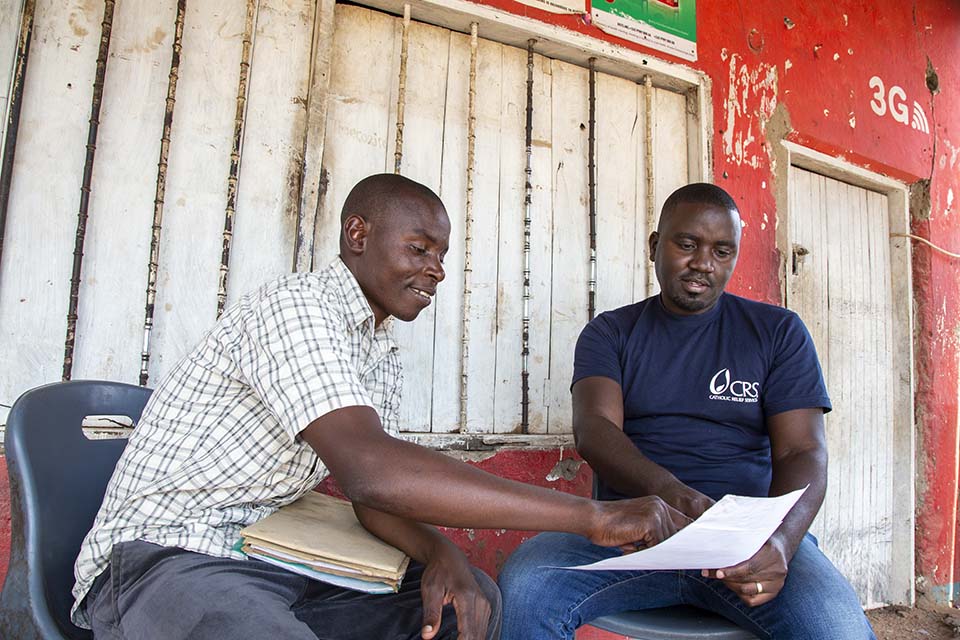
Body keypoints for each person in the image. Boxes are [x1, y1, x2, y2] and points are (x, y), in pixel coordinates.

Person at [71, 173, 689, 640]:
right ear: (358, 234)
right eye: (420, 249)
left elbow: (372, 496)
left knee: (467, 602)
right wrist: (591, 516)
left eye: (441, 255)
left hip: (266, 555)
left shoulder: (377, 347)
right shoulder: (298, 310)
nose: (437, 271)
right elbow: (374, 469)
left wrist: (443, 555)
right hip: (162, 559)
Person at [498, 183, 876, 639]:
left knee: (836, 628)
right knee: (525, 586)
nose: (703, 263)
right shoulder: (611, 333)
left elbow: (803, 451)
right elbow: (594, 428)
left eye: (722, 251)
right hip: (631, 535)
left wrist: (781, 541)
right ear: (656, 245)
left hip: (745, 544)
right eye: (687, 244)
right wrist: (672, 497)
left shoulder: (778, 332)